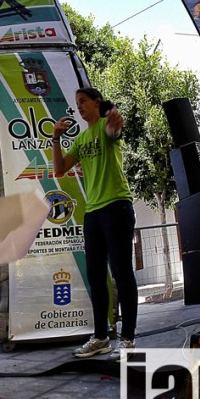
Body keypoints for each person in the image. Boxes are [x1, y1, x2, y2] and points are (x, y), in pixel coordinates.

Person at [52, 87, 138, 361]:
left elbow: (115, 129)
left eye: (83, 101)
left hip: (117, 207)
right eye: (76, 102)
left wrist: (113, 118)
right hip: (93, 213)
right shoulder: (82, 138)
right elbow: (60, 169)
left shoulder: (105, 127)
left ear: (97, 102)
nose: (79, 106)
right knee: (96, 277)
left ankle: (128, 339)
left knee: (122, 273)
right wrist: (56, 138)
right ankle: (101, 338)